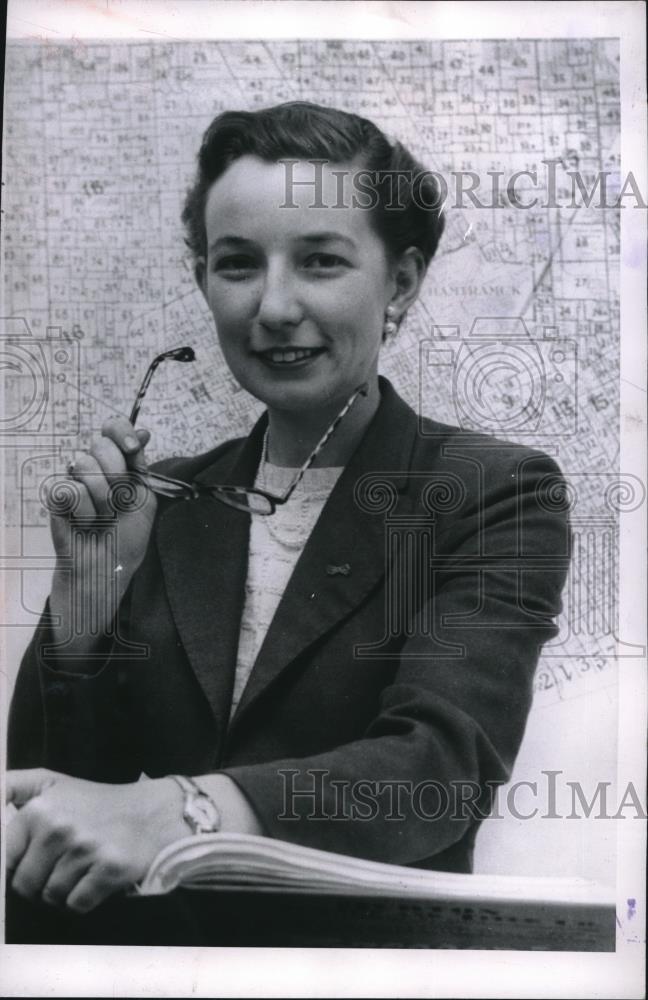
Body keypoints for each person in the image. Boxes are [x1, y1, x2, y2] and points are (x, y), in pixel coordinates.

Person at [6, 102, 571, 923]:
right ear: (203, 278)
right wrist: (89, 594)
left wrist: (188, 810)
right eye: (237, 264)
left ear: (401, 281)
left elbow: (437, 771)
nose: (272, 306)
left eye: (319, 262)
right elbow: (45, 808)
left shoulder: (488, 491)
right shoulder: (158, 498)